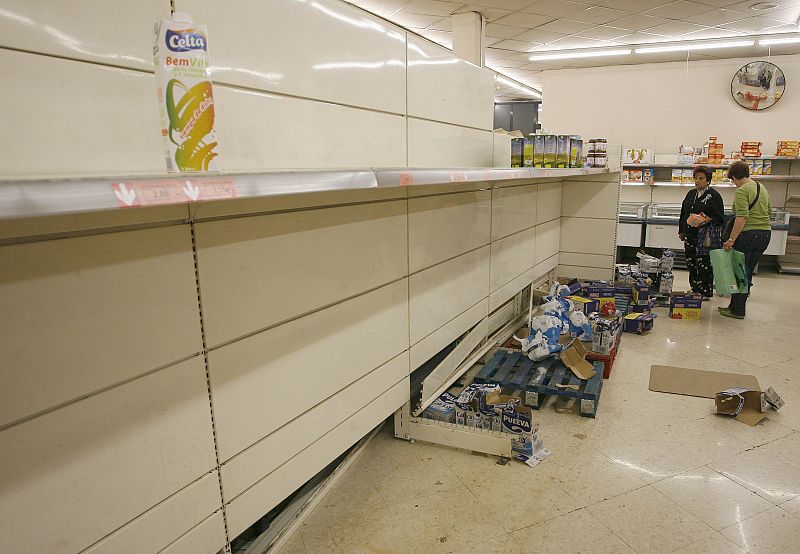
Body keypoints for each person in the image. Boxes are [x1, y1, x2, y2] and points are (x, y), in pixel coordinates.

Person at [720, 160, 772, 319]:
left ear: (734, 177)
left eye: (732, 180)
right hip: (765, 234)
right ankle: (735, 306)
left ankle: (737, 310)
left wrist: (731, 239)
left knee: (740, 273)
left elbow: (741, 217)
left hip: (748, 235)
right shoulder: (760, 187)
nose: (733, 183)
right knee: (746, 272)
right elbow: (769, 211)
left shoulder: (742, 190)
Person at [679, 165, 725, 299]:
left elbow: (720, 218)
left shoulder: (714, 196)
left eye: (701, 178)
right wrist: (681, 231)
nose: (697, 181)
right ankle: (694, 288)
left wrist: (707, 220)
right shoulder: (691, 194)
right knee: (691, 262)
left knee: (704, 263)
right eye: (696, 178)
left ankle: (705, 291)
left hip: (705, 237)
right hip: (690, 235)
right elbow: (683, 213)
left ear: (708, 180)